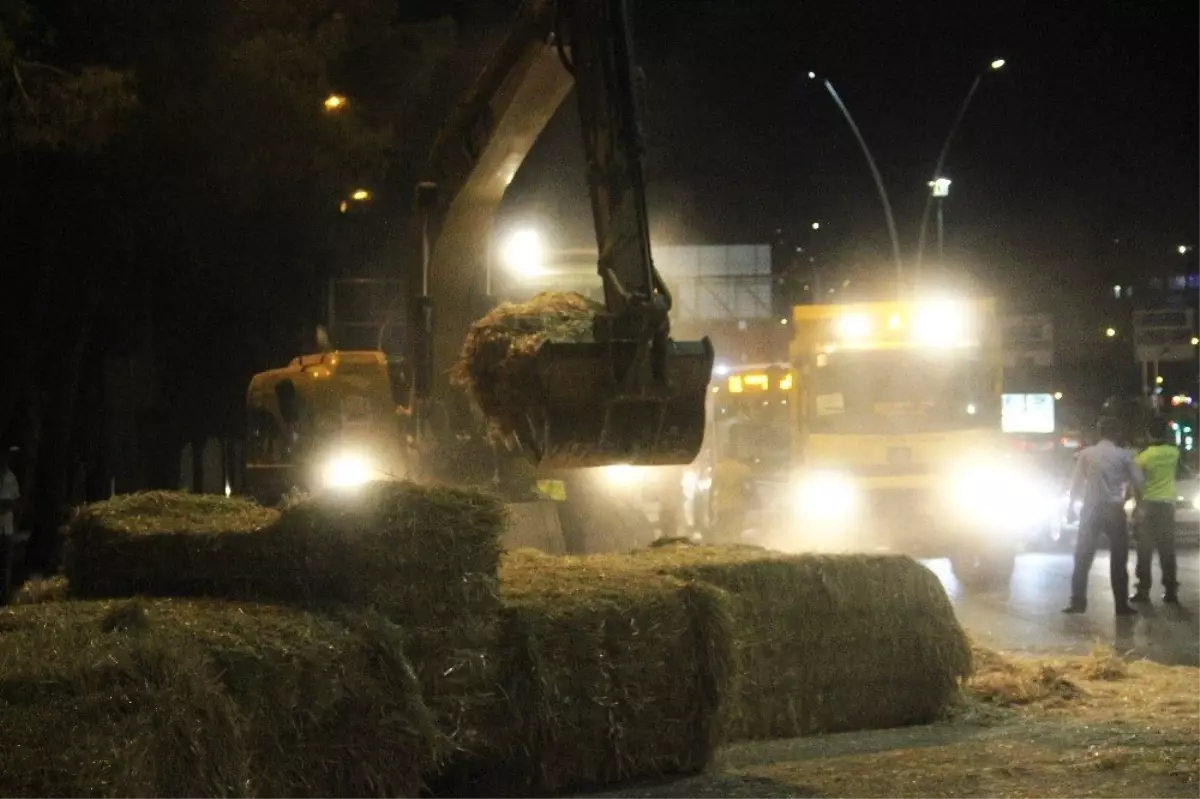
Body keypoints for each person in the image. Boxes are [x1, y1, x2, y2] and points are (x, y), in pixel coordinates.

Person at [1064, 417, 1144, 615]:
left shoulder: (1086, 454)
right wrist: (1137, 504)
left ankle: (1078, 602)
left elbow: (1075, 484)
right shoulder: (1124, 455)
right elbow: (1139, 481)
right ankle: (1121, 605)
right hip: (1114, 509)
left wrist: (1070, 508)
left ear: (1099, 432)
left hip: (1091, 509)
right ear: (1117, 433)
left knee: (1082, 557)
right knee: (1119, 558)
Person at [1131, 417, 1181, 605]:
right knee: (1167, 549)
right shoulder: (1174, 453)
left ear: (1148, 434)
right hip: (1168, 505)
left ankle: (1143, 590)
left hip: (1149, 505)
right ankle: (1171, 591)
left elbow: (1137, 484)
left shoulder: (1143, 457)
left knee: (1145, 549)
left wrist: (1138, 506)